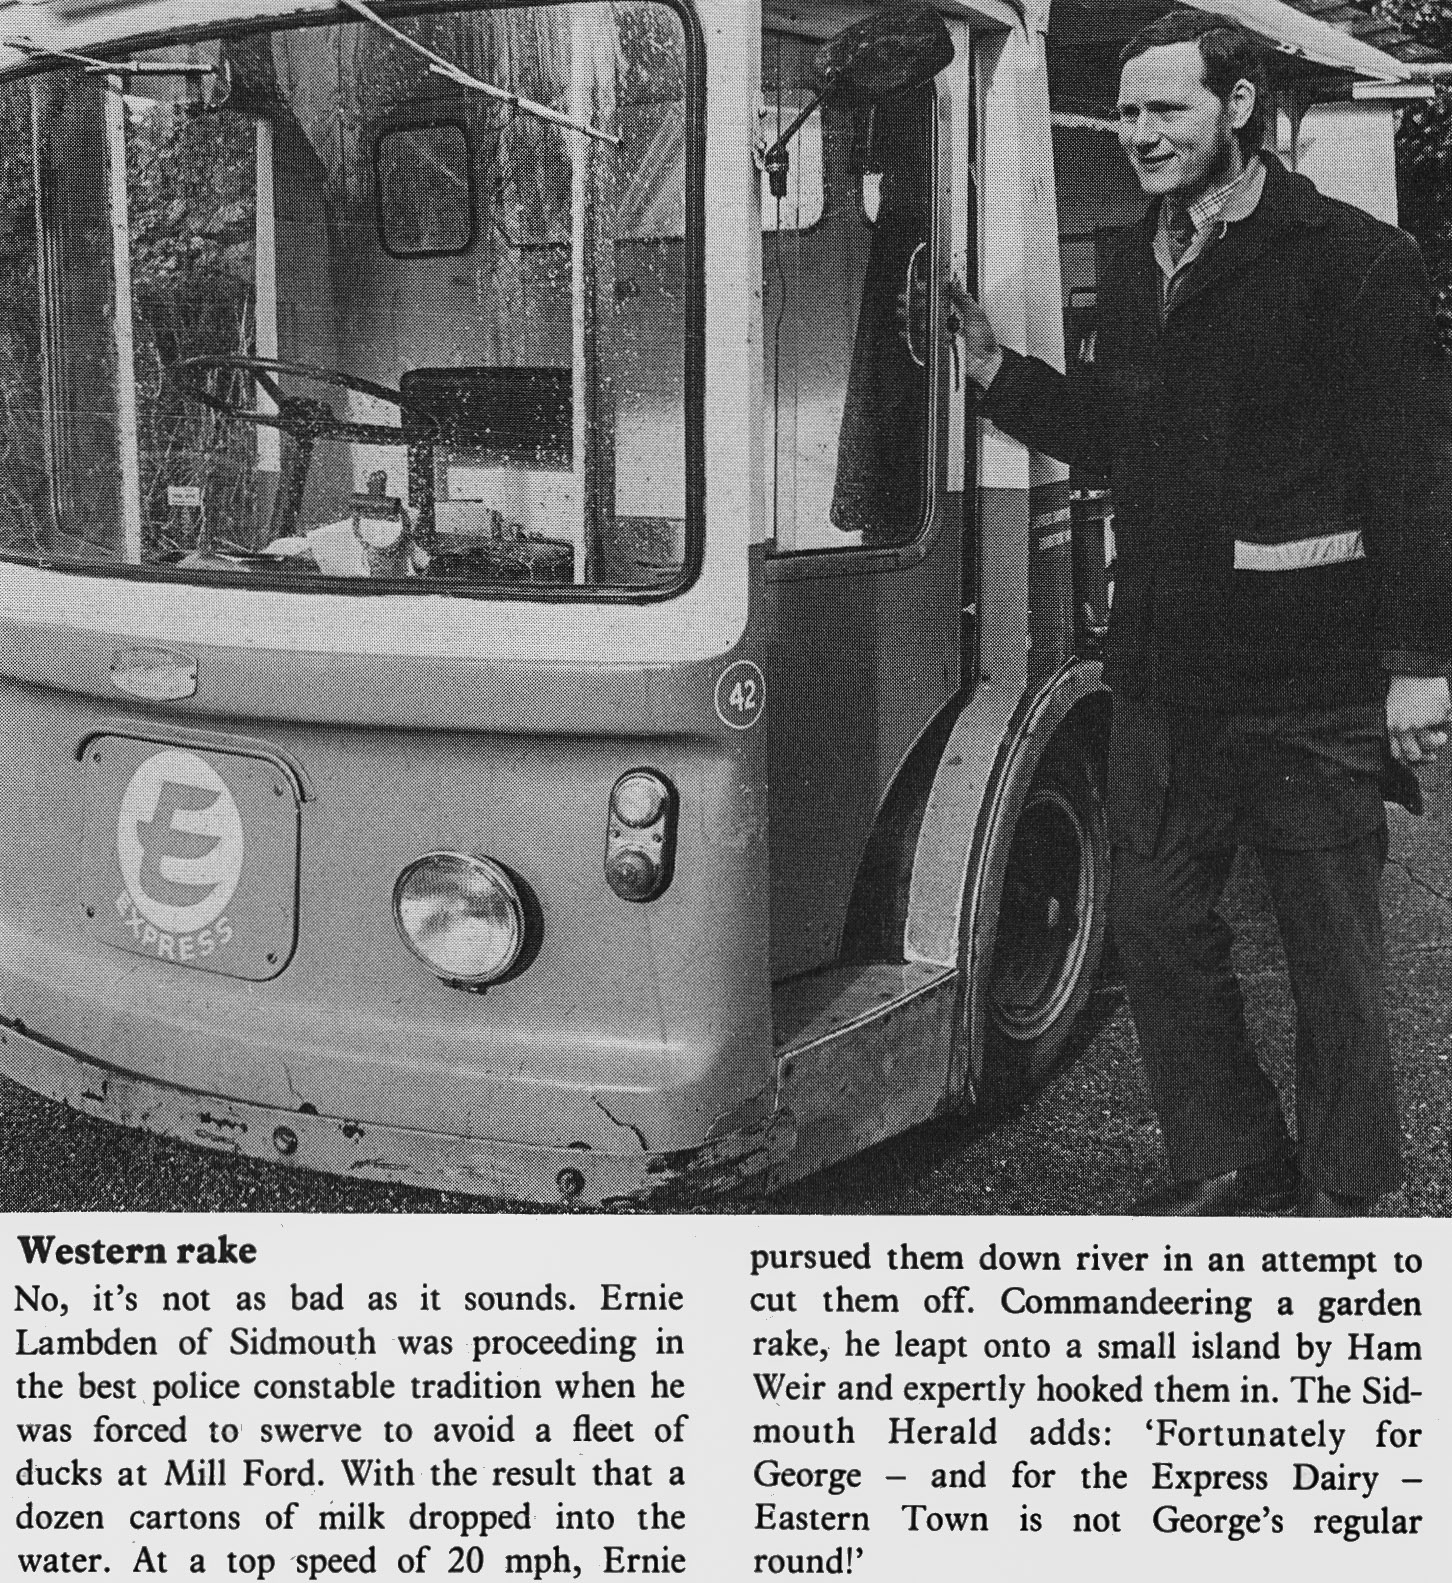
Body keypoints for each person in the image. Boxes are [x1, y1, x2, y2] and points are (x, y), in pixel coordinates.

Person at [950, 8, 1452, 1215]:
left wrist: (1423, 663)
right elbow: (1134, 437)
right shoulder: (1140, 256)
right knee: (1161, 926)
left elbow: (1417, 473)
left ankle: (1344, 1191)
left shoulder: (1356, 260)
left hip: (1309, 674)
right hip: (1168, 668)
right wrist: (995, 377)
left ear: (1238, 108)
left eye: (1163, 109)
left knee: (1332, 957)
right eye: (1125, 113)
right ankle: (1233, 1156)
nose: (1136, 134)